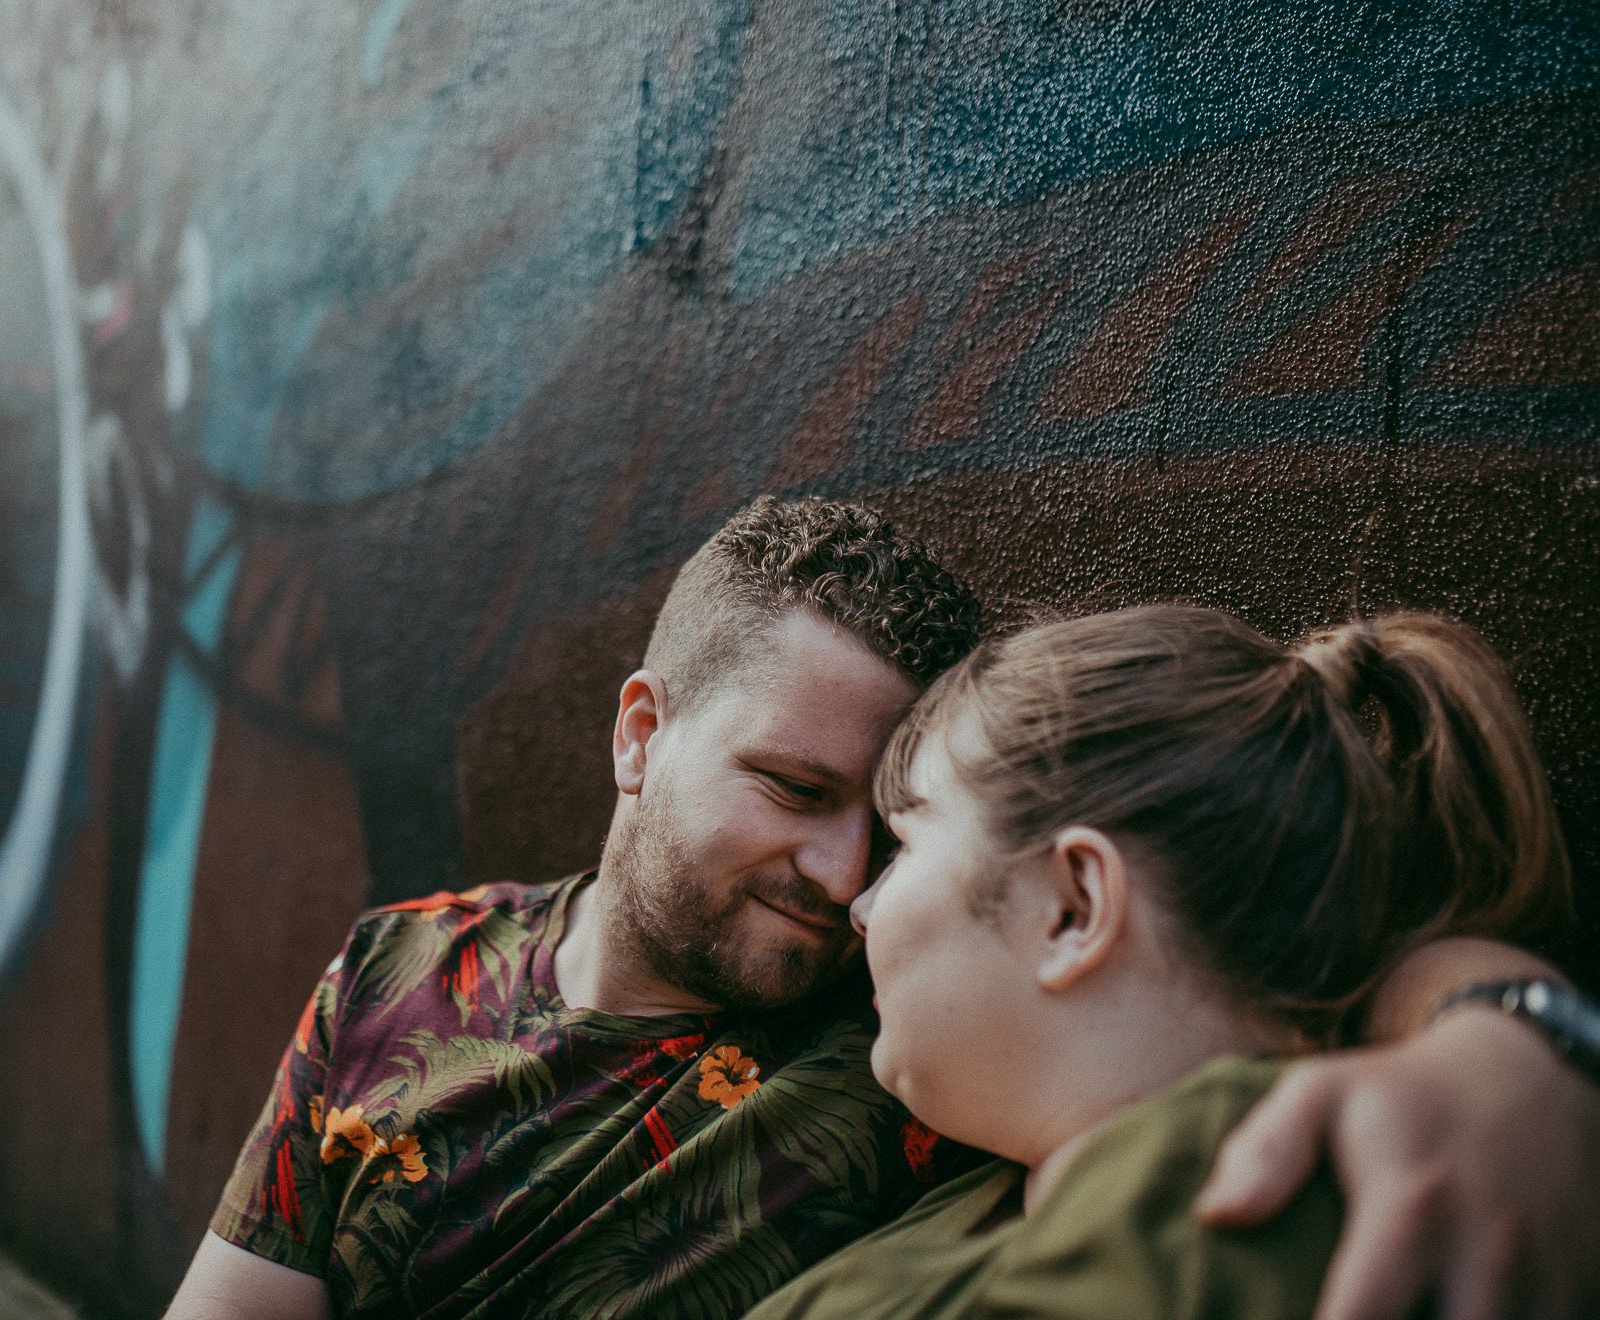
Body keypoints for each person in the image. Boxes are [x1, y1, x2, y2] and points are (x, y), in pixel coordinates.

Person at [165, 498, 1600, 1320]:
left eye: (892, 826)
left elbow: (1257, 948)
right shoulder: (399, 971)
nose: (847, 882)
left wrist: (1515, 1044)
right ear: (638, 736)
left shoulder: (918, 1044)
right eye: (793, 787)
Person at [746, 605, 1597, 1320]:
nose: (856, 906)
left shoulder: (1228, 1207)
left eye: (902, 844)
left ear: (1073, 907)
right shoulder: (1002, 1184)